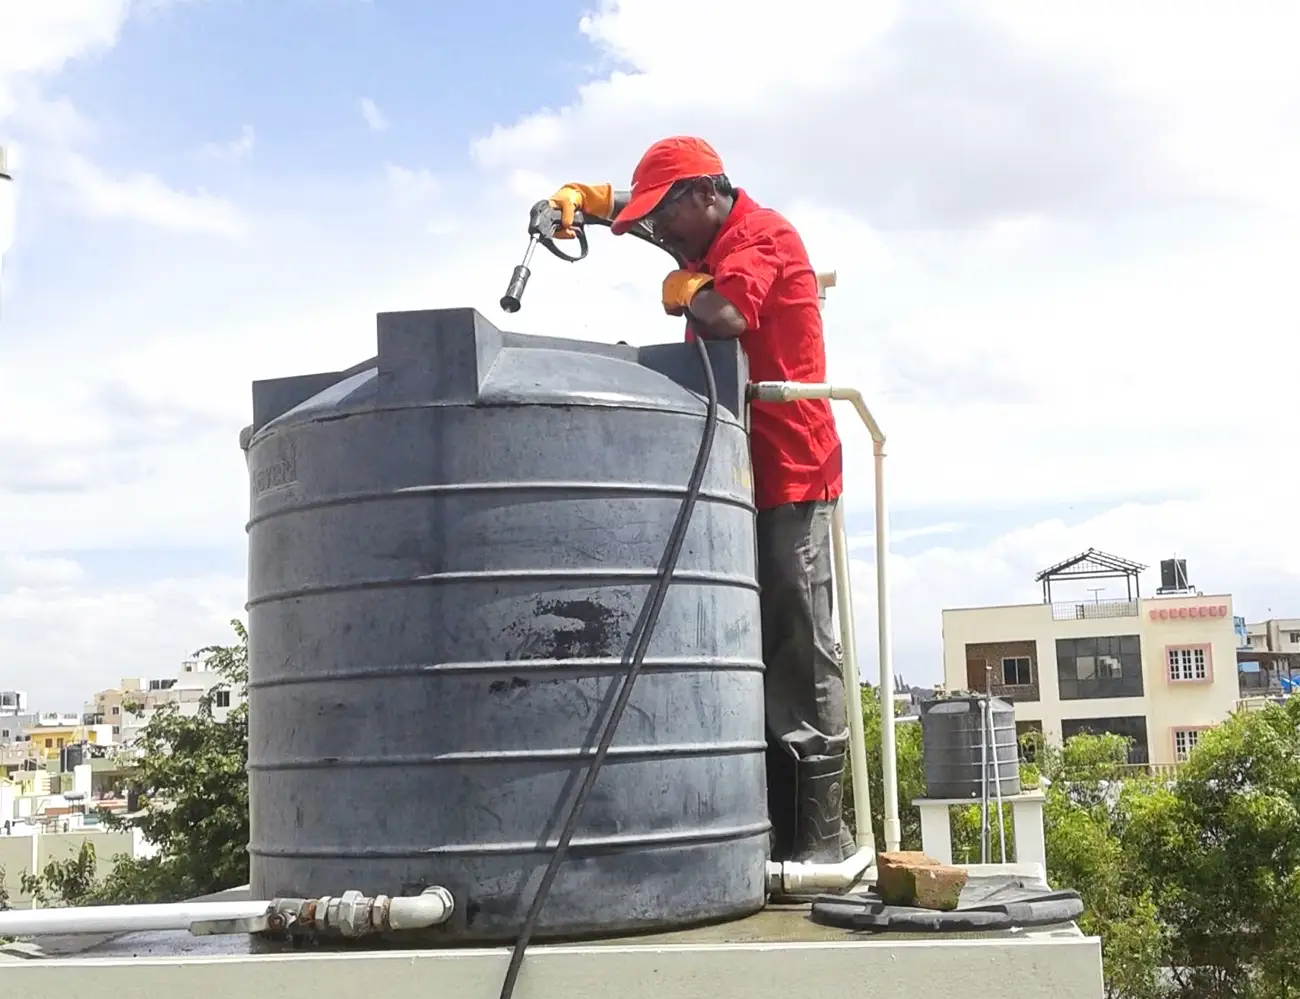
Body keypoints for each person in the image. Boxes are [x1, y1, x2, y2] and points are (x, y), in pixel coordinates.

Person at [548, 137, 849, 868]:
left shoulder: (764, 235)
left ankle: (819, 835)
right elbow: (656, 221)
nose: (664, 238)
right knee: (742, 643)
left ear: (703, 197)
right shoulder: (705, 223)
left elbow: (725, 317)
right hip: (736, 476)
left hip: (793, 472)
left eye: (668, 219)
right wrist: (592, 204)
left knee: (800, 644)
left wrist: (686, 292)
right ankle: (760, 821)